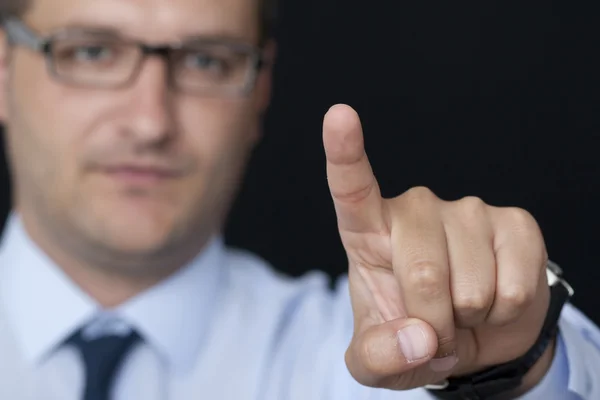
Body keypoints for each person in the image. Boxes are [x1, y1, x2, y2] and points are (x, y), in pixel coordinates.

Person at [0, 0, 598, 399]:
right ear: (3, 69)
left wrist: (515, 362)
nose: (151, 121)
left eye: (208, 60)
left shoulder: (383, 359)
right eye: (92, 52)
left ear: (259, 92)